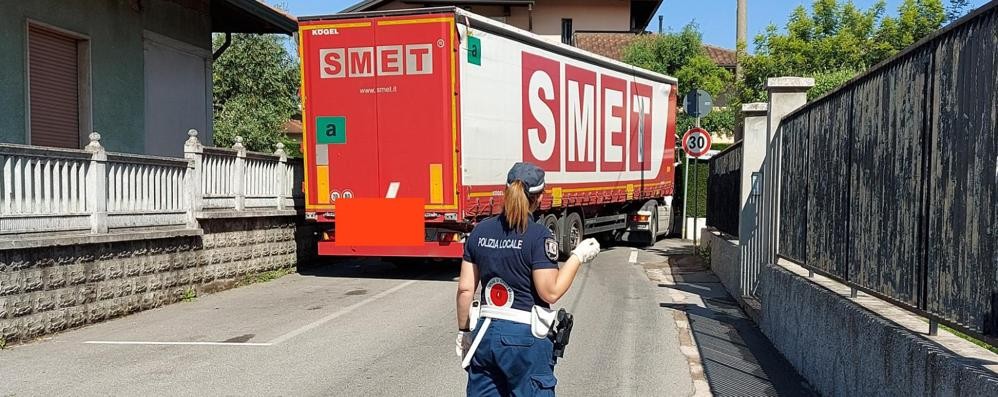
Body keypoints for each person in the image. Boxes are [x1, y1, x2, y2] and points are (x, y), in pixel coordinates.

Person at [455, 162, 601, 396]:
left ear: (505, 190)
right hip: (525, 339)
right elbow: (550, 292)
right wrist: (577, 256)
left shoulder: (480, 231)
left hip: (484, 334)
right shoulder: (538, 236)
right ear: (539, 197)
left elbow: (465, 289)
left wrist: (464, 332)